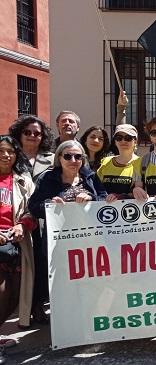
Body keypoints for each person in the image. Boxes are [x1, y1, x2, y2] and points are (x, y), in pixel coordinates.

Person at [8, 116, 55, 326]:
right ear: (19, 134)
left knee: (42, 262)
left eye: (37, 133)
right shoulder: (11, 157)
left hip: (45, 218)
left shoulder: (52, 159)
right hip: (19, 218)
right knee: (21, 265)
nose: (33, 136)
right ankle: (18, 307)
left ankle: (37, 306)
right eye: (28, 132)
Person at [0, 136, 36, 364]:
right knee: (2, 291)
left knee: (14, 295)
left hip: (16, 243)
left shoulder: (23, 180)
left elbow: (32, 210)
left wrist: (23, 226)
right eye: (1, 151)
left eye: (10, 152)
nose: (6, 156)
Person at [97, 124, 145, 203]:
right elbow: (97, 188)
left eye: (128, 138)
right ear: (115, 141)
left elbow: (143, 191)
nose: (123, 141)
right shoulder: (105, 162)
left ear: (135, 141)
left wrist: (120, 196)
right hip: (104, 210)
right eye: (119, 138)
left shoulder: (141, 162)